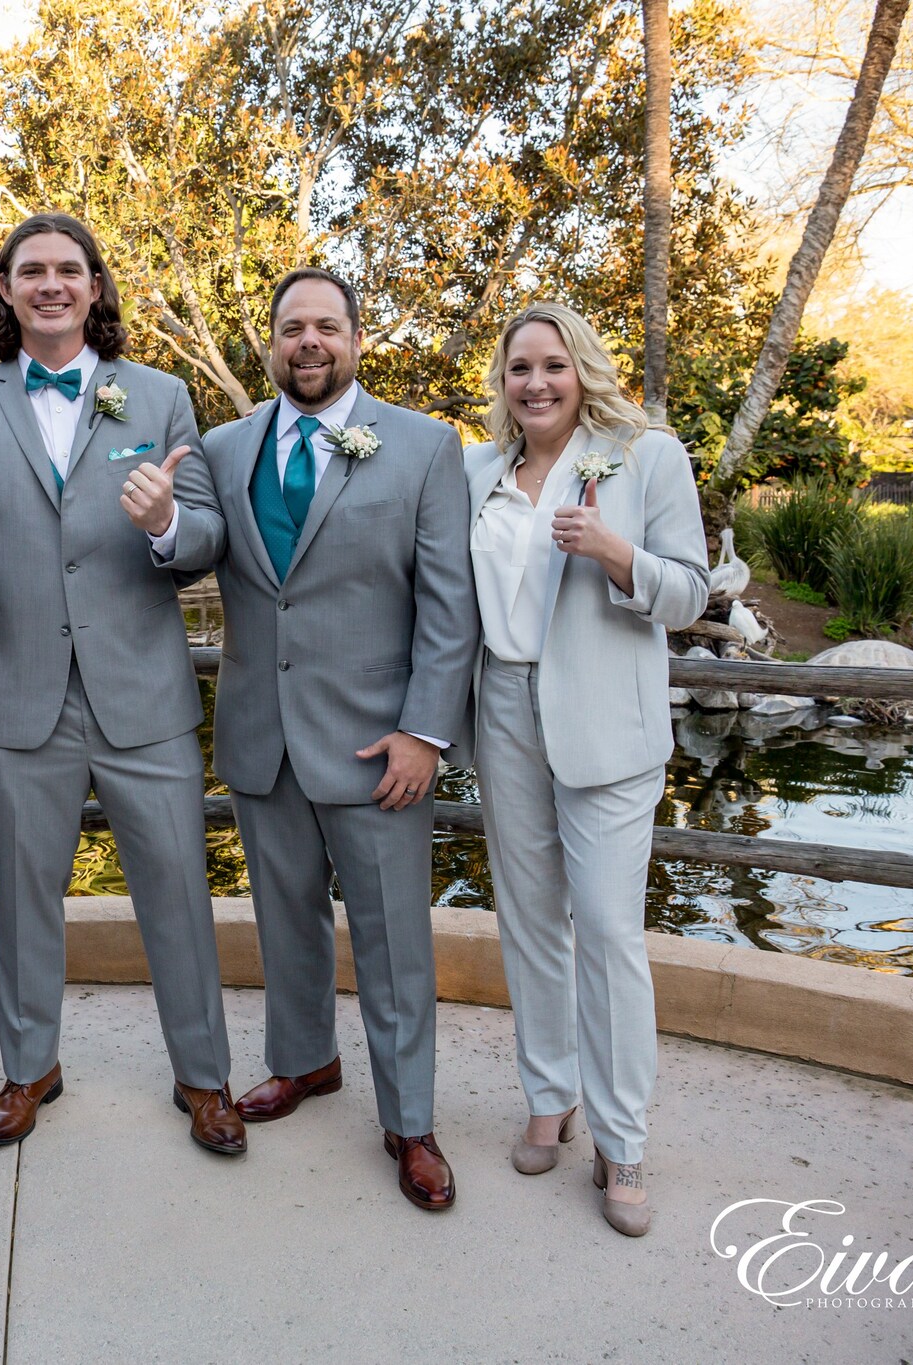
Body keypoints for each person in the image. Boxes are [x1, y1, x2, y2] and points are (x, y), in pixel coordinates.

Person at [0, 213, 242, 1155]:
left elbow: (208, 536)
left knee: (179, 890)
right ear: (6, 292)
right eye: (31, 271)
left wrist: (171, 521)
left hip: (143, 695)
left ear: (96, 288)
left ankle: (204, 1079)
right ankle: (29, 1068)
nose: (50, 284)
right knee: (24, 899)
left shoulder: (162, 395)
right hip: (16, 699)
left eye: (68, 270)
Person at [204, 267, 479, 1210]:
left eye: (327, 326)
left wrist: (425, 732)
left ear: (357, 339)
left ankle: (411, 1122)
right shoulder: (222, 447)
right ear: (269, 343)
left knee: (395, 939)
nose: (308, 342)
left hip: (378, 747)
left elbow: (450, 608)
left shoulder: (424, 446)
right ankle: (304, 1061)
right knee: (285, 921)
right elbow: (192, 549)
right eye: (291, 328)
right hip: (260, 732)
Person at [461, 301, 707, 1237]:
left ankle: (623, 1137)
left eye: (553, 366)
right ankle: (548, 1094)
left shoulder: (649, 454)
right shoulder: (476, 468)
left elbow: (687, 594)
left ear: (583, 370)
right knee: (527, 924)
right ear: (503, 380)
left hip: (606, 722)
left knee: (607, 933)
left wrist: (616, 554)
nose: (536, 383)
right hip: (503, 713)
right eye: (520, 367)